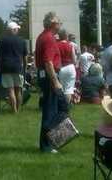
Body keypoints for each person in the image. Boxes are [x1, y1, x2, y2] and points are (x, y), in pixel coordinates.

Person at [35, 11, 68, 153]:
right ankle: (48, 144)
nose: (61, 25)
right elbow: (48, 62)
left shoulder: (43, 36)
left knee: (56, 109)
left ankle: (52, 141)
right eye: (59, 22)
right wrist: (55, 82)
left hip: (46, 76)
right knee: (52, 111)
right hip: (50, 76)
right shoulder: (48, 38)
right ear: (53, 24)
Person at [0, 21, 28, 113]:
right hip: (18, 67)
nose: (18, 30)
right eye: (17, 29)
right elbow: (25, 56)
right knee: (18, 90)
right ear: (13, 29)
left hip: (5, 67)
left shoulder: (2, 40)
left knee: (11, 90)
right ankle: (18, 108)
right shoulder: (22, 40)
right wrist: (25, 67)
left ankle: (14, 111)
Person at [57, 29, 77, 104]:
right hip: (70, 67)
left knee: (61, 88)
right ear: (66, 36)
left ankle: (60, 105)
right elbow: (74, 60)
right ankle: (66, 106)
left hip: (61, 67)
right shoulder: (70, 45)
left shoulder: (57, 45)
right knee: (68, 89)